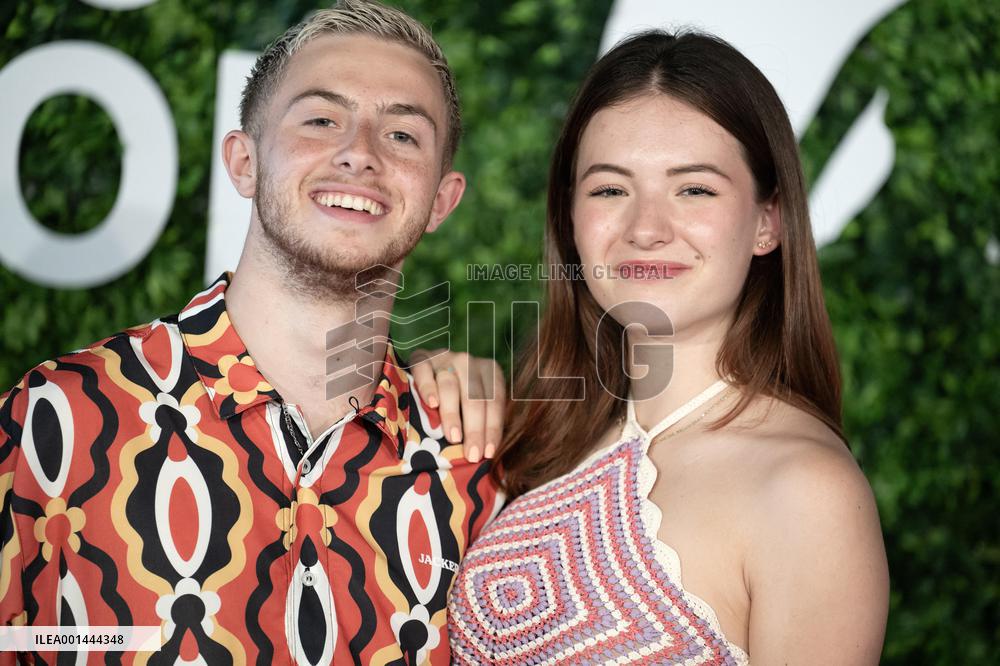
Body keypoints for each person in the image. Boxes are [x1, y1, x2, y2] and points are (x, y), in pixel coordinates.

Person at [0, 1, 502, 663]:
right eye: (321, 119)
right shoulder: (57, 421)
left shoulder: (479, 474)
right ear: (242, 161)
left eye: (403, 135)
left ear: (442, 199)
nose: (359, 154)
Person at [432, 29, 889, 664]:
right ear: (570, 220)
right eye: (610, 190)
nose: (646, 229)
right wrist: (430, 389)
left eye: (694, 189)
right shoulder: (538, 437)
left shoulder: (807, 492)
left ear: (767, 221)